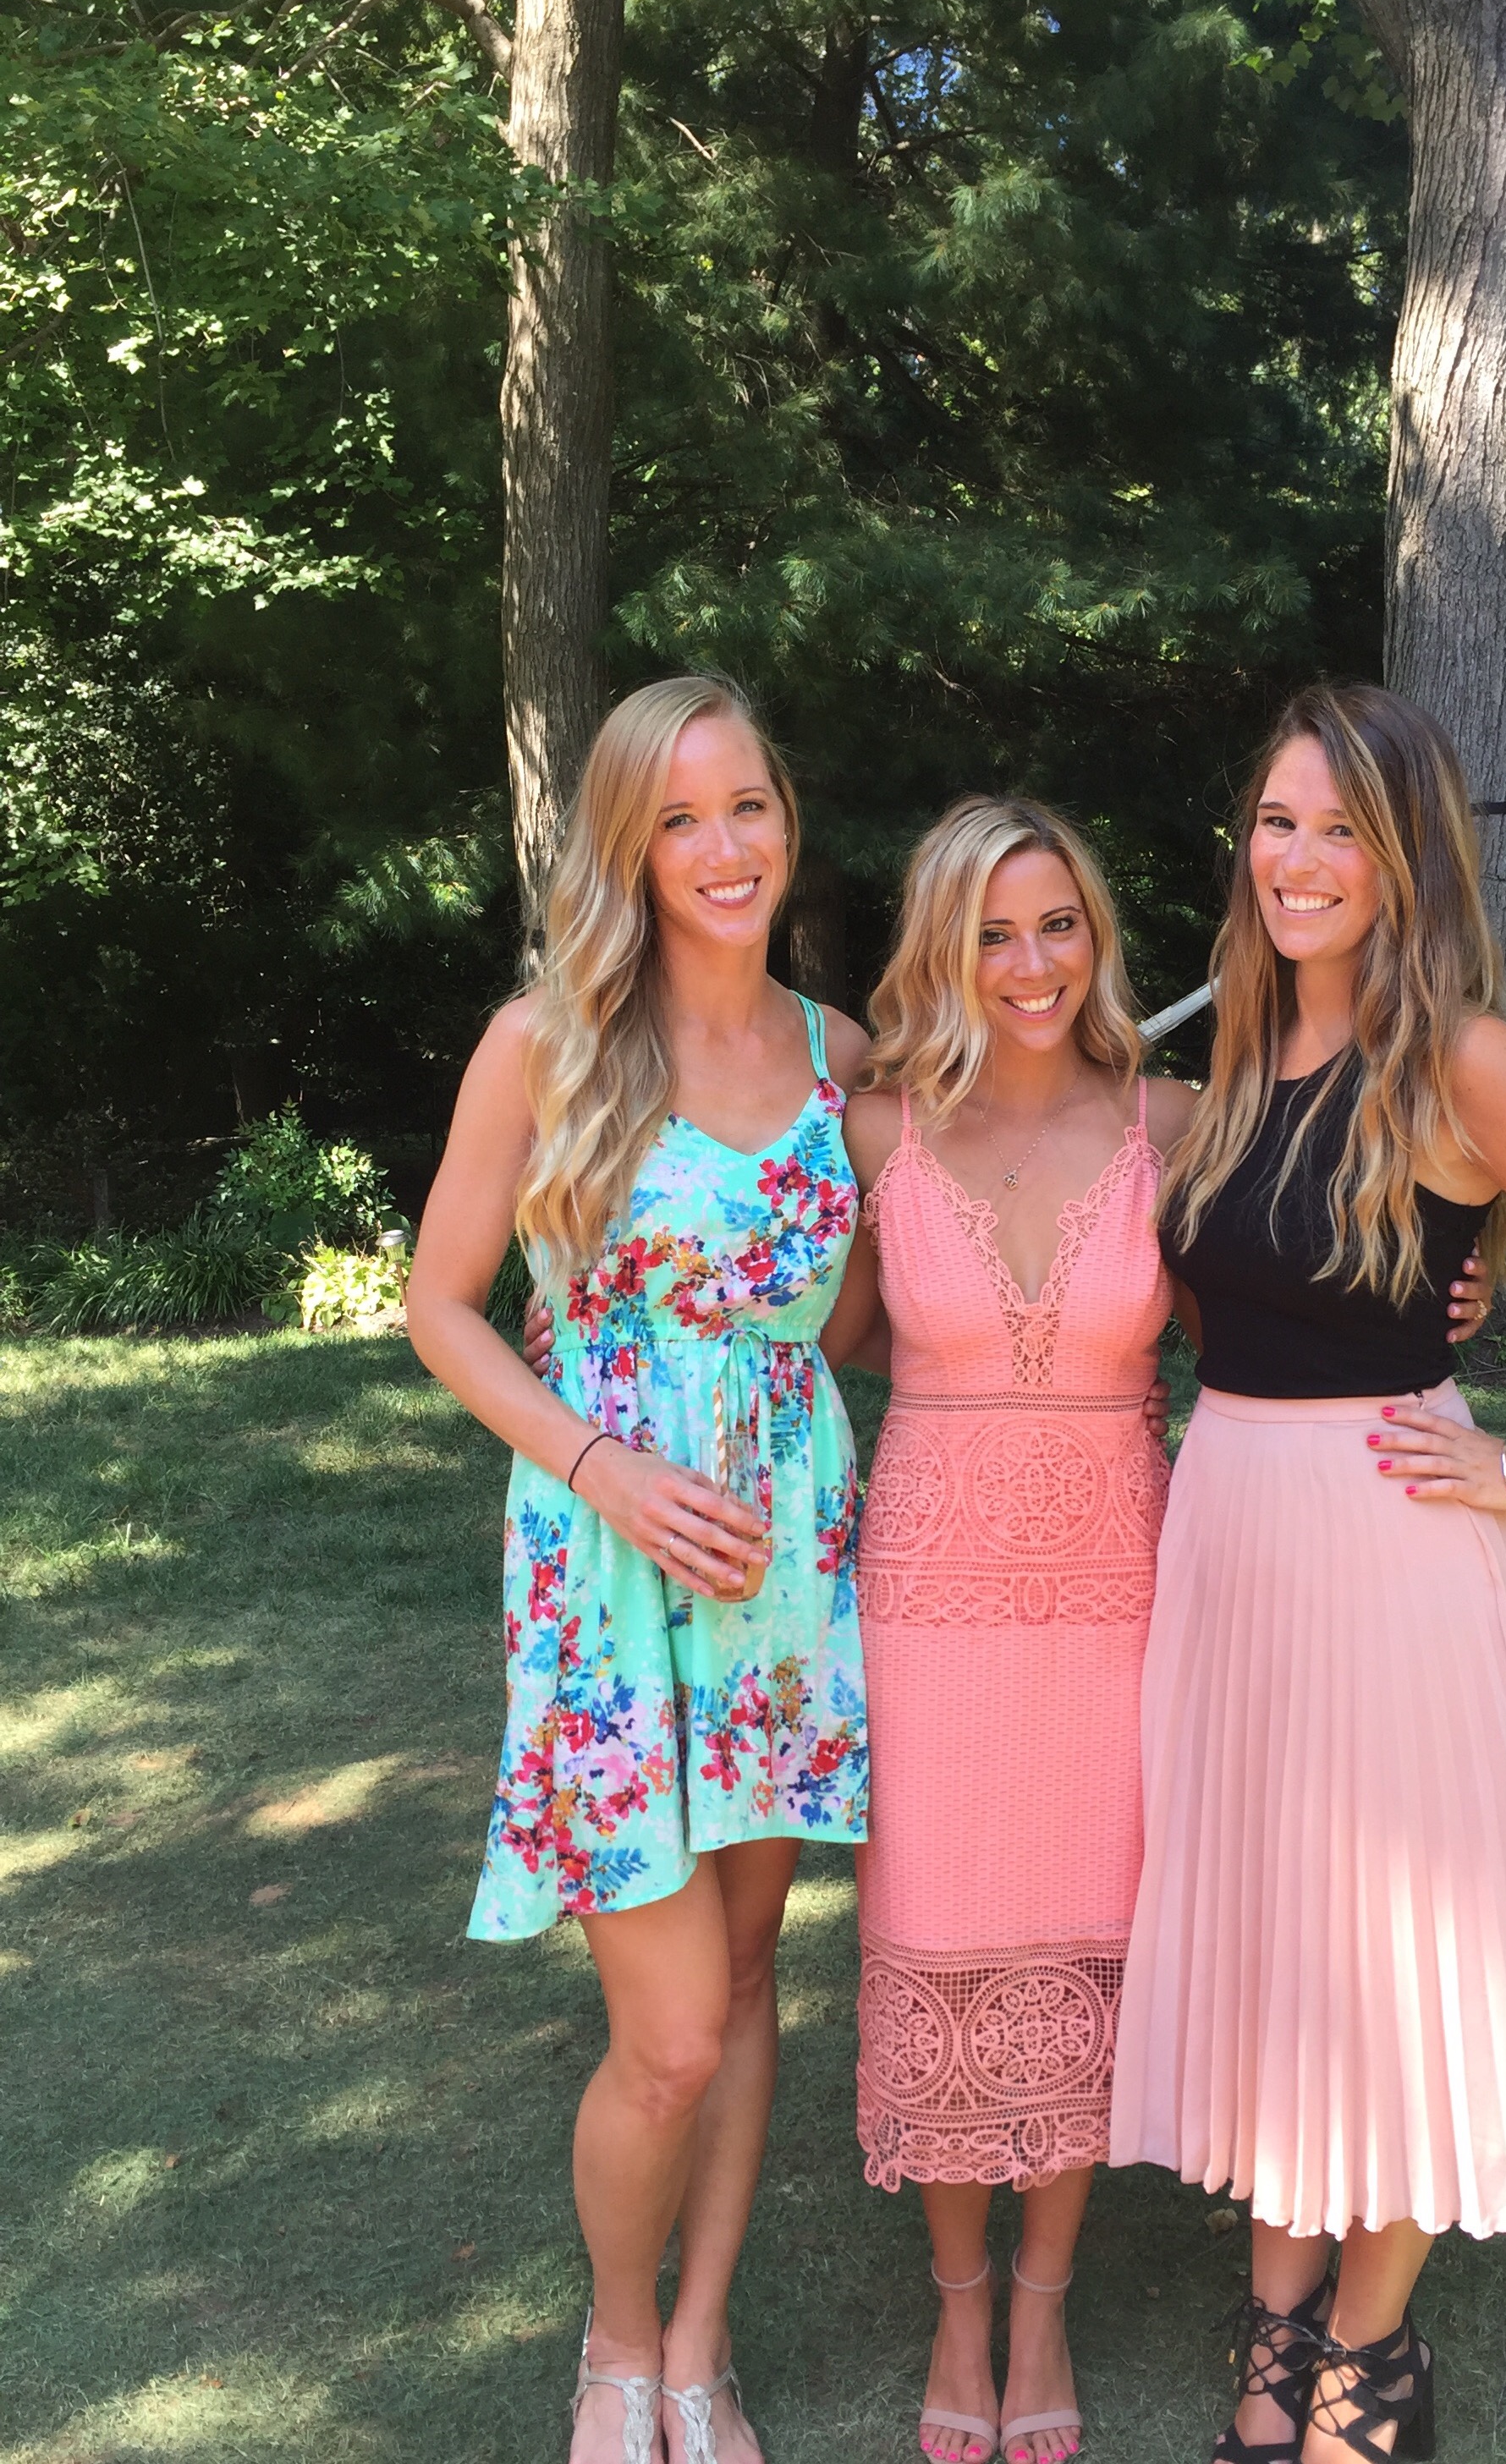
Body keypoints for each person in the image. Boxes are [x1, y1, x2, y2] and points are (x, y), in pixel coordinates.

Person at [1107, 683, 1506, 2464]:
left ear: (1405, 860)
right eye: (1276, 822)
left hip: (1393, 1550)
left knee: (1384, 1955)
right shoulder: (1236, 1059)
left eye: (1341, 831)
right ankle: (1274, 2314)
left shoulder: (1458, 1059)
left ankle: (1366, 2347)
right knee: (1278, 1935)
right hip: (1232, 1538)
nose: (1298, 860)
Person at [407, 675, 870, 2464]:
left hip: (779, 1573)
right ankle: (612, 2344)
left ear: (785, 817)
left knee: (747, 1981)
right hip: (603, 1575)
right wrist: (603, 1459)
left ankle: (699, 2342)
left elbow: (891, 1285)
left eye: (746, 804)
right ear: (627, 847)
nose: (723, 847)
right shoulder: (547, 1043)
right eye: (679, 819)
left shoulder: (840, 1055)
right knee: (669, 2030)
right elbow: (443, 1308)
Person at [823, 798, 1193, 2464]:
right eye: (991, 931)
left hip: (1121, 1590)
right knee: (941, 1919)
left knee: (1085, 1929)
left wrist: (1442, 1297)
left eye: (1058, 924)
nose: (1030, 962)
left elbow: (1274, 1309)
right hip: (927, 1597)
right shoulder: (876, 1129)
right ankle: (958, 2300)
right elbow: (817, 1328)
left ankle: (1042, 2298)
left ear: (1095, 938)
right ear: (941, 947)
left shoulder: (1176, 1119)